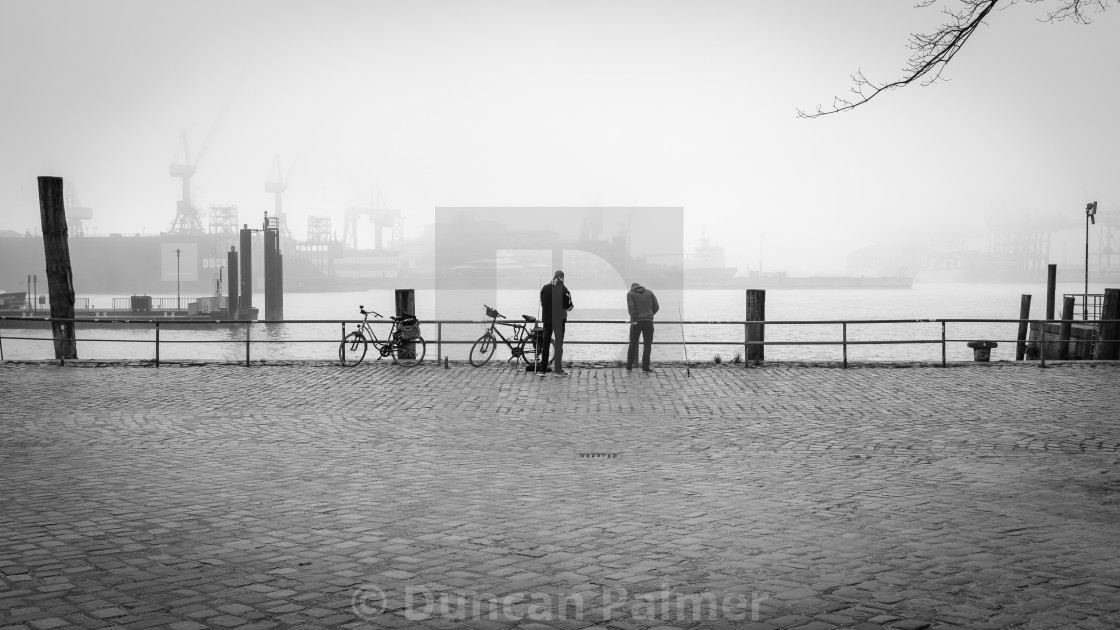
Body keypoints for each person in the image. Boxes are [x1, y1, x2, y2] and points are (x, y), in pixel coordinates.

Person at [539, 270, 573, 377]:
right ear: (562, 278)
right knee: (558, 345)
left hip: (547, 321)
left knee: (545, 345)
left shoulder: (545, 288)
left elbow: (542, 303)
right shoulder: (564, 290)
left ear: (554, 277)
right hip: (559, 321)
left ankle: (542, 370)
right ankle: (558, 370)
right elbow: (569, 306)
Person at [626, 281, 659, 372]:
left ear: (632, 287)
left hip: (636, 322)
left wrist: (635, 319)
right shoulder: (649, 292)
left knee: (633, 344)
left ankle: (629, 366)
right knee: (647, 345)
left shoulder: (630, 294)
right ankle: (645, 367)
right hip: (648, 322)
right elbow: (656, 306)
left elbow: (631, 308)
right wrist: (649, 315)